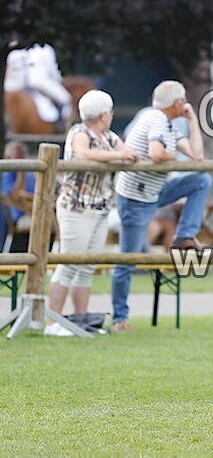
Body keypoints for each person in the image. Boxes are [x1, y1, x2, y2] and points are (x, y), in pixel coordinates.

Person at [111, 80, 211, 332]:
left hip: (153, 192)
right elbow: (156, 154)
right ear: (177, 103)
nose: (187, 104)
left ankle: (185, 235)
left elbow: (197, 157)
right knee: (128, 259)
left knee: (201, 179)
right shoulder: (155, 120)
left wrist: (193, 121)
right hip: (135, 199)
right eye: (184, 100)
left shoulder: (166, 123)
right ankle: (119, 319)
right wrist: (172, 156)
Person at [44, 90, 139, 337]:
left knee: (87, 267)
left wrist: (122, 154)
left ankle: (80, 321)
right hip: (76, 206)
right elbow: (84, 154)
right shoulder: (79, 132)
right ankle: (52, 323)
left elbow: (129, 152)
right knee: (69, 263)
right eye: (109, 111)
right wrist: (118, 156)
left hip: (100, 208)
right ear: (102, 114)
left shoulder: (109, 136)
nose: (111, 115)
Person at [0, 142, 37, 252]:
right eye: (17, 155)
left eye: (22, 155)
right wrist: (21, 172)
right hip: (15, 216)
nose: (20, 158)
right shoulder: (6, 175)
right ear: (8, 157)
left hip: (33, 211)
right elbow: (14, 196)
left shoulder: (31, 176)